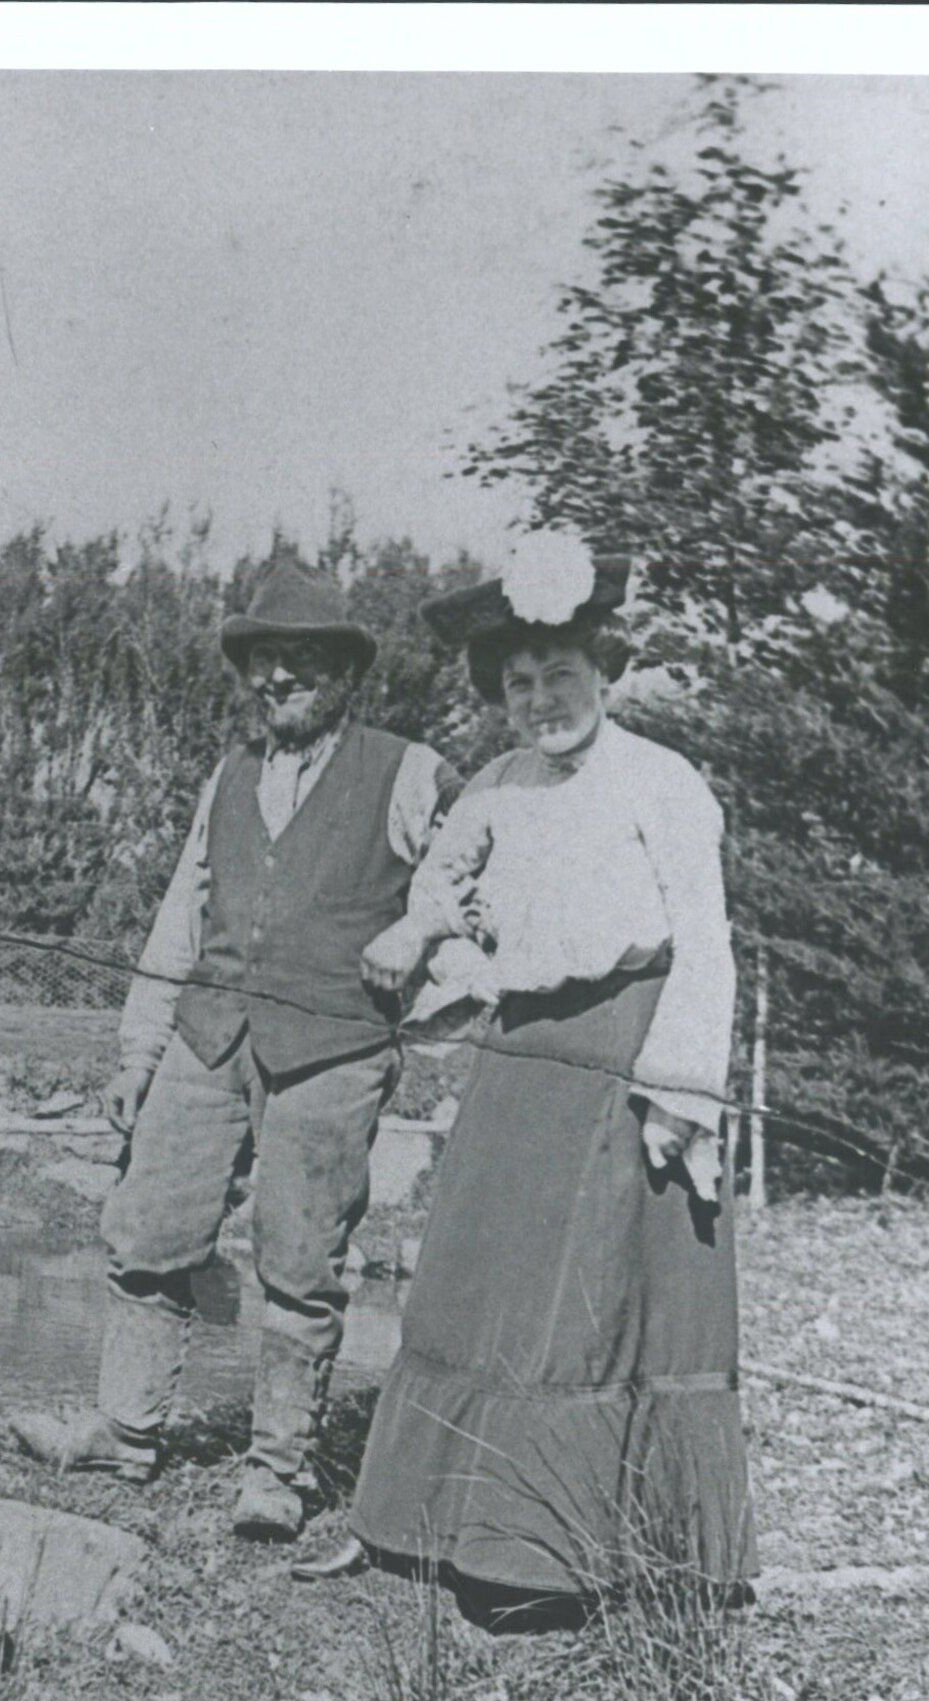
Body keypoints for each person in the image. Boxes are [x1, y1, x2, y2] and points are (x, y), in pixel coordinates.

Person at [319, 531, 755, 1602]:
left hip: (622, 1058)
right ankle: (425, 1528)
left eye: (559, 673)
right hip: (517, 1058)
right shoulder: (498, 783)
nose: (540, 697)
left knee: (586, 1302)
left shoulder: (662, 781)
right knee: (473, 1281)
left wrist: (680, 1090)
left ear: (602, 670)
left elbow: (703, 940)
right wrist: (417, 935)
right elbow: (442, 877)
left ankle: (555, 1558)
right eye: (518, 682)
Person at [12, 559, 456, 1539]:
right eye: (261, 662)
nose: (278, 679)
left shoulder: (408, 770)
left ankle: (277, 1473)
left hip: (333, 1050)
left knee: (300, 1260)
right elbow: (180, 917)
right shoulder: (229, 777)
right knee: (144, 1231)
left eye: (301, 661)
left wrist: (419, 967)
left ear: (342, 671)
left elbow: (464, 889)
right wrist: (137, 1053)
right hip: (207, 1036)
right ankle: (126, 1431)